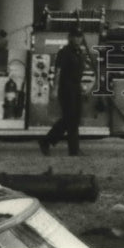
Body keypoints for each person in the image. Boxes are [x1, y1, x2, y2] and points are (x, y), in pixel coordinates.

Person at [39, 26, 85, 156]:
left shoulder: (79, 52)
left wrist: (81, 85)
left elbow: (79, 71)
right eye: (75, 36)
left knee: (75, 118)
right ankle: (47, 141)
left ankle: (73, 149)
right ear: (70, 37)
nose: (78, 39)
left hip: (76, 87)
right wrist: (55, 88)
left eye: (80, 36)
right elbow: (58, 71)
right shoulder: (64, 52)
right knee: (69, 118)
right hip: (66, 87)